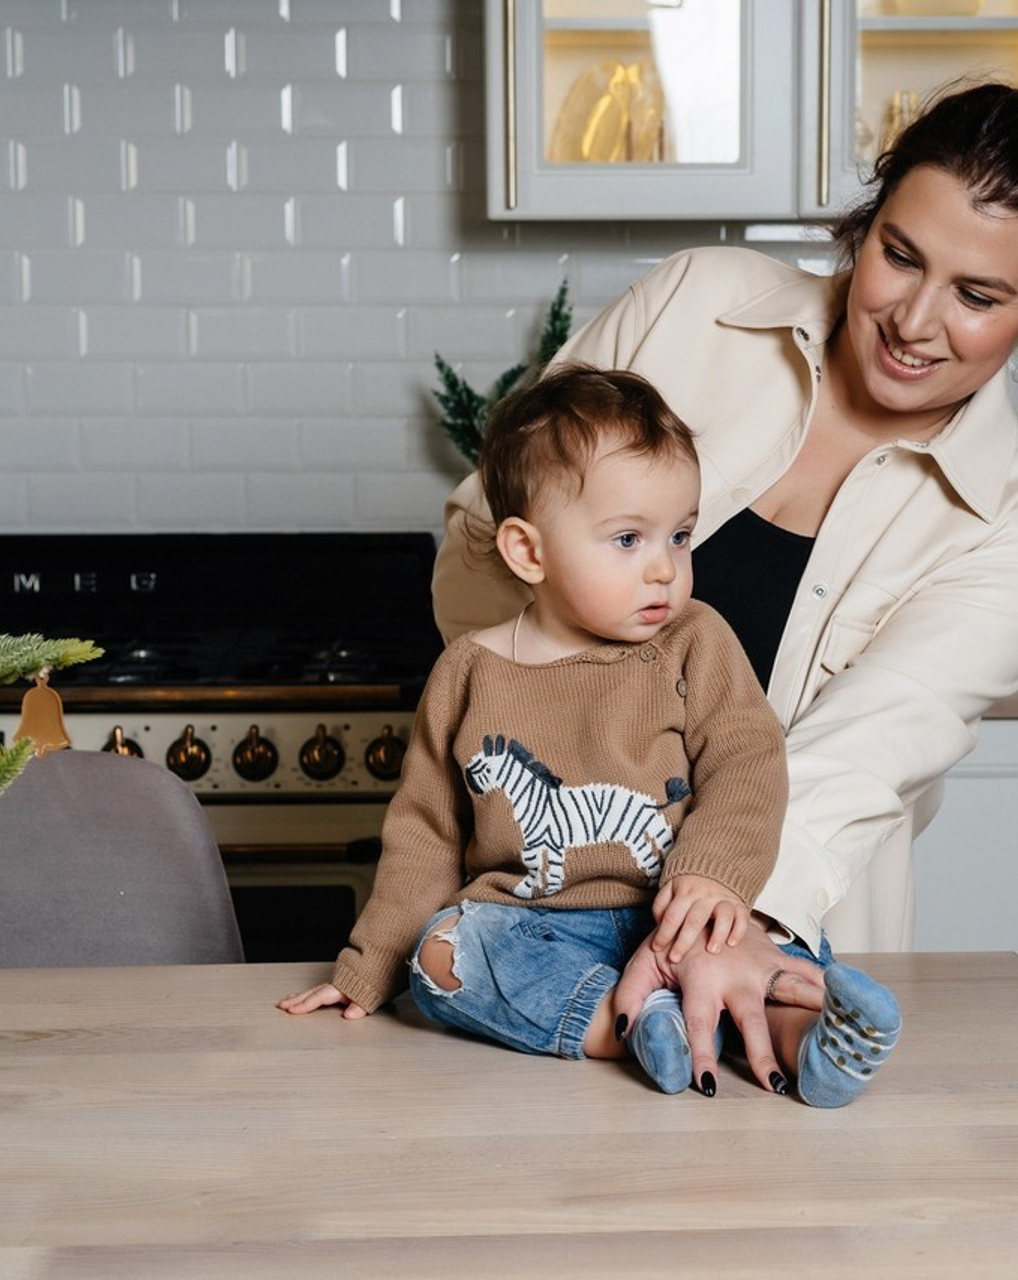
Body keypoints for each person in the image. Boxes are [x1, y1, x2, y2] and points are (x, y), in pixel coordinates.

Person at [431, 53, 1018, 1096]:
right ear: (862, 225)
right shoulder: (698, 305)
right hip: (524, 911)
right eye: (898, 255)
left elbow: (856, 757)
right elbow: (475, 544)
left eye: (978, 295)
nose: (911, 319)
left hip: (752, 953)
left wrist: (707, 918)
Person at [280, 365, 901, 1105]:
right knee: (445, 954)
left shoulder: (694, 641)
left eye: (680, 535)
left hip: (681, 909)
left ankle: (811, 1045)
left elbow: (747, 758)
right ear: (528, 552)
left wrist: (713, 875)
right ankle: (627, 1023)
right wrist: (366, 969)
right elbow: (425, 836)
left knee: (757, 944)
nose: (665, 569)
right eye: (628, 539)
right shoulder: (469, 672)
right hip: (539, 928)